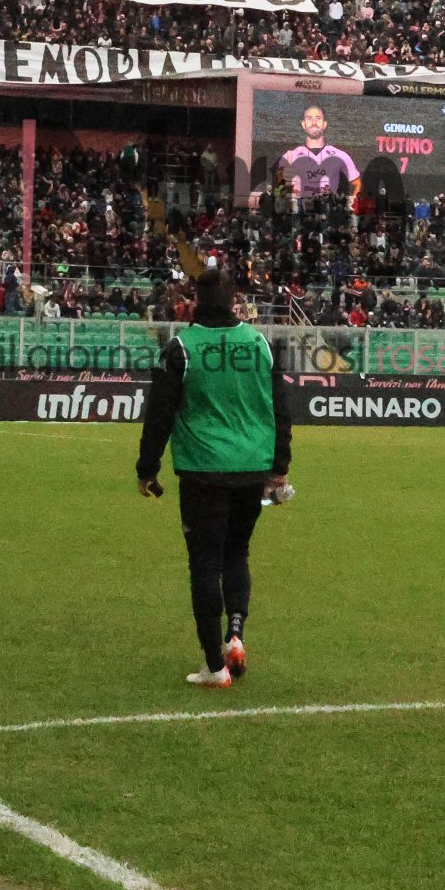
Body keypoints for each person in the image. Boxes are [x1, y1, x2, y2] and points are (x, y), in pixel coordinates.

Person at [136, 271, 290, 688]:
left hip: (204, 471)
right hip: (252, 467)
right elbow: (279, 407)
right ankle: (235, 635)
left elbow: (160, 414)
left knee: (204, 564)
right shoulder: (260, 343)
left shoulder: (182, 348)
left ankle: (215, 667)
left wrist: (146, 468)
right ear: (234, 300)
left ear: (197, 301)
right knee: (236, 553)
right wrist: (279, 467)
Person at [275, 105, 358, 200]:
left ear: (324, 124)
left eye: (318, 118)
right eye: (309, 118)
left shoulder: (341, 155)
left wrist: (352, 203)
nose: (314, 123)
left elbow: (357, 183)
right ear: (303, 124)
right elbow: (280, 185)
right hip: (300, 209)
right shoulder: (289, 156)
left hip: (327, 208)